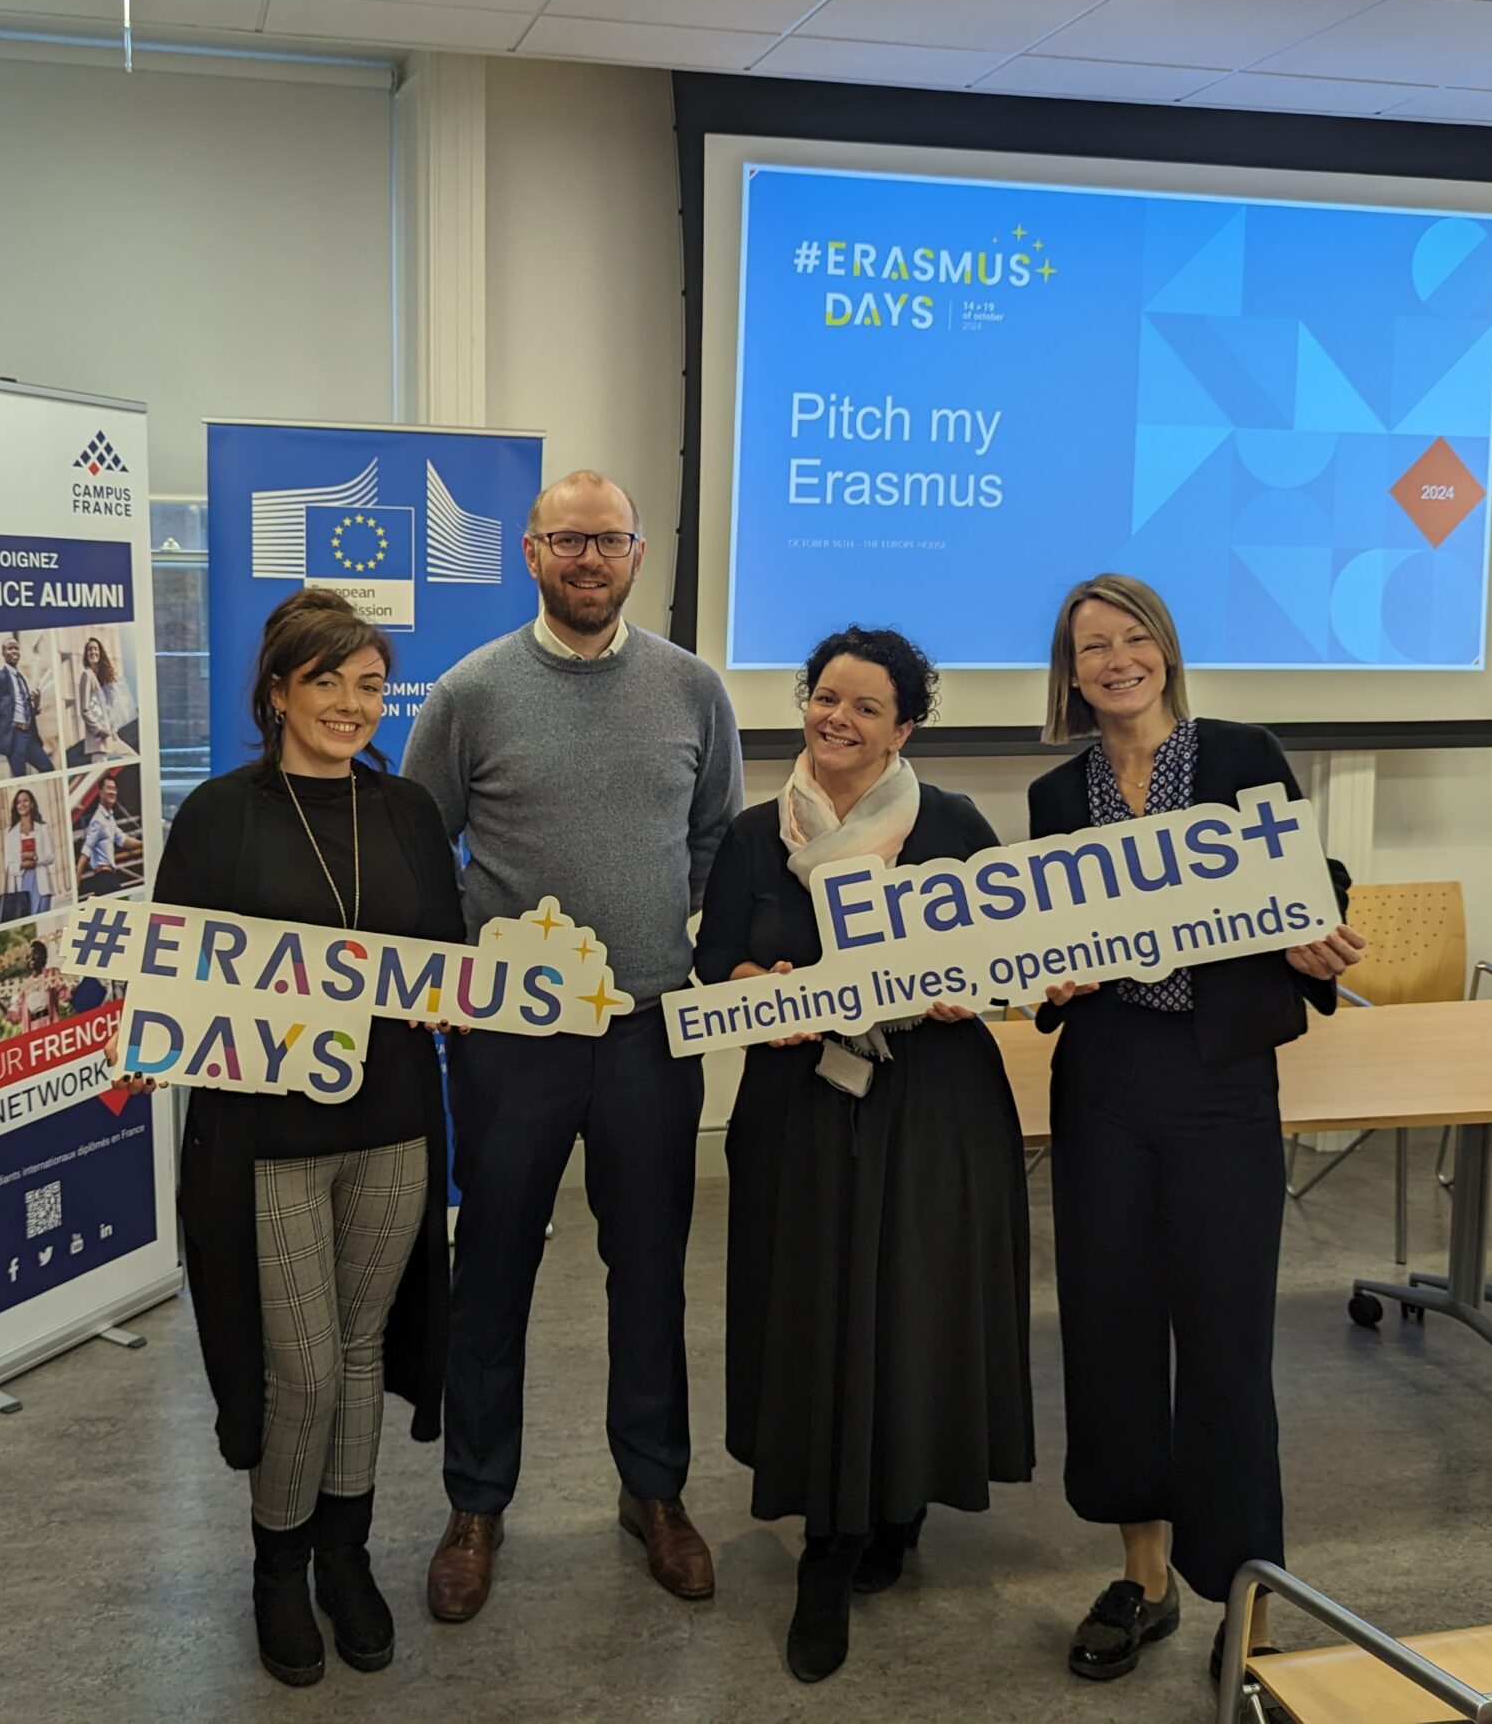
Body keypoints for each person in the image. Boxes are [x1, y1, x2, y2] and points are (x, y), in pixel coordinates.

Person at [402, 470, 742, 1624]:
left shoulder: (694, 688)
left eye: (607, 539)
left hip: (650, 1027)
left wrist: (647, 936)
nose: (588, 558)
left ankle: (653, 1491)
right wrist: (470, 971)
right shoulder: (469, 691)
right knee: (492, 1269)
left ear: (637, 553)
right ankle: (476, 1501)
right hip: (507, 1041)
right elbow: (418, 842)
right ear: (530, 554)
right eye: (566, 541)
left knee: (650, 1270)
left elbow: (710, 838)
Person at [121, 588, 463, 1688]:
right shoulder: (220, 815)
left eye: (369, 685)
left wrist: (446, 999)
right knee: (303, 1367)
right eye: (326, 682)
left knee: (363, 1347)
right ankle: (276, 1563)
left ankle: (344, 1557)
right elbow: (171, 975)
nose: (351, 705)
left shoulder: (405, 808)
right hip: (266, 1132)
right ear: (276, 692)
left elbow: (444, 955)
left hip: (395, 1123)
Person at [1028, 573, 1360, 1691]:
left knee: (1225, 1341)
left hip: (1219, 1083)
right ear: (1069, 674)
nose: (1114, 659)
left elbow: (1303, 884)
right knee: (1111, 1329)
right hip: (1107, 1078)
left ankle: (1247, 1591)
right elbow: (1042, 939)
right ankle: (1147, 1580)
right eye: (1090, 646)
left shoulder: (1239, 756)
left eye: (1131, 638)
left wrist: (1313, 935)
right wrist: (1049, 976)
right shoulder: (1054, 794)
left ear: (1163, 649)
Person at [694, 626, 1032, 1683]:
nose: (835, 718)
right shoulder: (756, 833)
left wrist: (961, 983)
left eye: (864, 707)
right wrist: (764, 986)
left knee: (912, 1308)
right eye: (823, 697)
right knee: (812, 1309)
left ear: (905, 727)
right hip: (799, 1108)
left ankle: (898, 1503)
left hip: (931, 1105)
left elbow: (1009, 955)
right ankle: (827, 1547)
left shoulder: (954, 825)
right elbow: (718, 963)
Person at [0, 634, 55, 778]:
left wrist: (36, 705)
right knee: (20, 776)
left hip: (30, 735)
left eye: (17, 648)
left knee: (49, 769)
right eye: (10, 648)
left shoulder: (21, 677)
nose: (14, 651)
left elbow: (24, 709)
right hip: (13, 736)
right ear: (3, 653)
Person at [75, 634, 137, 764]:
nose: (93, 652)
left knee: (133, 757)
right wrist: (98, 730)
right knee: (100, 771)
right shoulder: (87, 675)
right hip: (99, 741)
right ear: (86, 654)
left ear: (100, 652)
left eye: (96, 649)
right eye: (90, 649)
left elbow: (107, 710)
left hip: (111, 737)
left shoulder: (100, 679)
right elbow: (84, 709)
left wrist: (113, 730)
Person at [1, 789, 56, 919]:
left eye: (25, 800)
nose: (22, 804)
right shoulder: (9, 832)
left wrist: (34, 858)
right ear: (15, 806)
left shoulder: (43, 827)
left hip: (41, 882)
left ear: (31, 804)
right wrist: (22, 862)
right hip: (21, 883)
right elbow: (7, 866)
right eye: (18, 802)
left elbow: (50, 856)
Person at [76, 775, 134, 896]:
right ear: (100, 792)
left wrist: (147, 843)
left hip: (109, 877)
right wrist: (76, 882)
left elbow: (123, 840)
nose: (113, 792)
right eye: (109, 788)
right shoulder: (98, 821)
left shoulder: (109, 818)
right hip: (104, 878)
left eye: (114, 789)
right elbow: (86, 851)